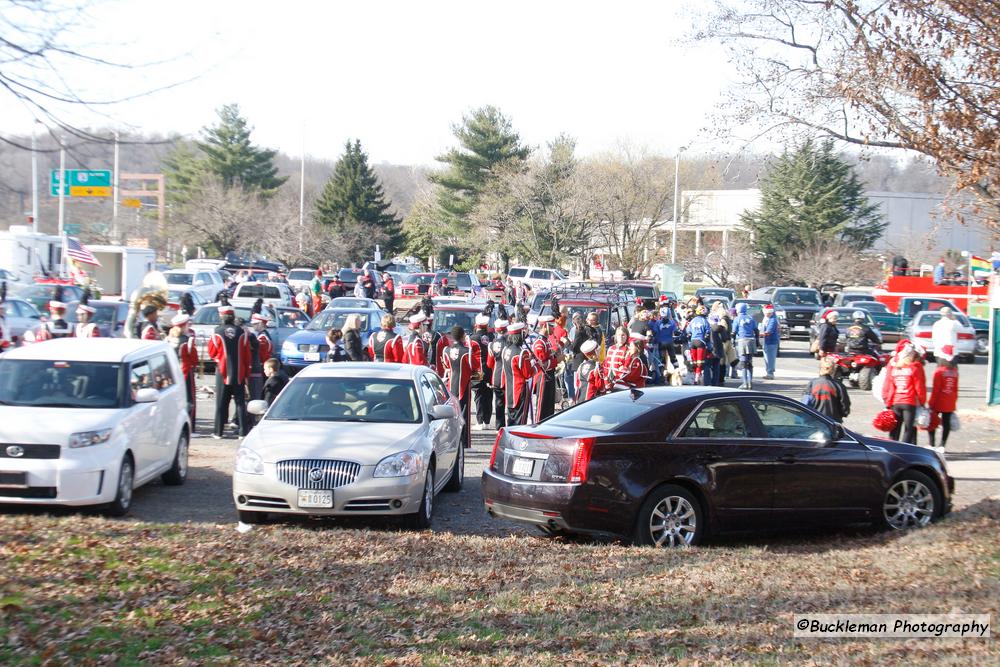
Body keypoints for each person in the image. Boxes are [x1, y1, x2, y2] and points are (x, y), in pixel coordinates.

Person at [207, 304, 251, 439]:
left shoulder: (217, 332)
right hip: (239, 372)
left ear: (222, 316)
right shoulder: (241, 332)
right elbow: (246, 355)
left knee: (221, 402)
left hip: (222, 371)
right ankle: (243, 432)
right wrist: (246, 373)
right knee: (240, 403)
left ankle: (218, 432)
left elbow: (211, 352)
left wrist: (219, 359)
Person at [441, 326, 479, 449]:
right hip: (464, 385)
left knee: (452, 414)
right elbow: (474, 366)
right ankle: (465, 444)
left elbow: (446, 365)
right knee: (464, 414)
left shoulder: (446, 350)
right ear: (463, 336)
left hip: (451, 385)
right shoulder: (467, 351)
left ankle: (452, 442)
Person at [882, 342, 927, 444]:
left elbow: (892, 388)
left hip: (895, 402)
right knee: (908, 429)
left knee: (895, 429)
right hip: (909, 402)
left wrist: (888, 404)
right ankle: (905, 449)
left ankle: (892, 447)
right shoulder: (914, 368)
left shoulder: (896, 369)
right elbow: (919, 387)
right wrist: (922, 402)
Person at [167, 313, 198, 425]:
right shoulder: (187, 341)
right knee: (190, 399)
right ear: (184, 326)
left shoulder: (169, 340)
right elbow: (194, 360)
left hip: (173, 373)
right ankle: (190, 425)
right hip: (186, 372)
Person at [501, 322, 535, 426]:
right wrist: (535, 365)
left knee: (511, 418)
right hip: (519, 390)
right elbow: (528, 373)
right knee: (520, 420)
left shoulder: (505, 350)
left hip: (509, 389)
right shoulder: (521, 353)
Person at [928, 345, 959, 449]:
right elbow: (955, 388)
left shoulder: (939, 371)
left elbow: (936, 390)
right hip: (950, 401)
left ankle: (932, 444)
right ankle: (942, 445)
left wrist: (930, 404)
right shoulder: (955, 371)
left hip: (938, 401)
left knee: (932, 422)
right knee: (946, 424)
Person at [804, 357, 851, 422]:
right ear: (833, 370)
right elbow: (845, 406)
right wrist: (842, 414)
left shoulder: (812, 384)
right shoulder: (839, 386)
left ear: (820, 368)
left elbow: (805, 404)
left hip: (814, 421)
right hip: (833, 422)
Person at [531, 314, 559, 422]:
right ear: (545, 326)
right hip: (542, 376)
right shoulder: (539, 343)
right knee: (542, 405)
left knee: (549, 405)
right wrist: (556, 360)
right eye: (551, 325)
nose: (554, 328)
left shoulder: (546, 341)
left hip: (549, 375)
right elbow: (542, 363)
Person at [469, 313, 494, 430]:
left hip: (477, 370)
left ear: (476, 325)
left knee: (478, 395)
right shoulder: (492, 337)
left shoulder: (472, 339)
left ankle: (479, 422)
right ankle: (487, 422)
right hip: (490, 370)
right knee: (488, 395)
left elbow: (470, 357)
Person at [732, 302, 760, 390]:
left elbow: (733, 332)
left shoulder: (737, 319)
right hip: (751, 340)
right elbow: (756, 330)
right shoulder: (751, 318)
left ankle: (745, 383)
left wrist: (733, 342)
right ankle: (750, 382)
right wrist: (757, 341)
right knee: (750, 363)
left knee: (743, 363)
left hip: (742, 341)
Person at [246, 313, 272, 407]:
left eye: (255, 324)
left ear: (261, 324)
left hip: (262, 368)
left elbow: (260, 356)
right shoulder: (263, 336)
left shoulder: (262, 338)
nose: (253, 326)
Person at [487, 318, 508, 430]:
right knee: (510, 403)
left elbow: (489, 364)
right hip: (508, 376)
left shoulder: (492, 344)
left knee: (499, 403)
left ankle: (499, 426)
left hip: (496, 376)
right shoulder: (509, 343)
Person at [687, 305, 711, 385]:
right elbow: (708, 333)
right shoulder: (705, 321)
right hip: (701, 342)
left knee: (694, 362)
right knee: (700, 362)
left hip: (693, 342)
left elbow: (688, 332)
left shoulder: (693, 320)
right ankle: (697, 378)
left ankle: (694, 377)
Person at [761, 304, 779, 380]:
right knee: (767, 357)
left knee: (770, 358)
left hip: (771, 341)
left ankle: (770, 373)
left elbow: (768, 332)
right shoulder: (767, 318)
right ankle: (768, 372)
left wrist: (758, 334)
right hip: (767, 341)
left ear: (770, 312)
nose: (765, 314)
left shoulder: (773, 320)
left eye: (766, 313)